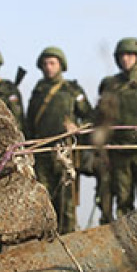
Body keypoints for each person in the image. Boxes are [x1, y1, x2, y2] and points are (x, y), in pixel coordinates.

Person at [25, 46, 93, 234]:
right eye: (45, 63)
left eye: (52, 63)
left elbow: (91, 117)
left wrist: (77, 128)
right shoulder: (38, 91)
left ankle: (68, 240)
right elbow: (29, 123)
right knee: (42, 202)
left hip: (65, 154)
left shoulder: (71, 90)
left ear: (61, 65)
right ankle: (46, 243)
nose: (48, 67)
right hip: (41, 153)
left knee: (67, 204)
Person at [96, 38, 137, 220]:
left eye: (130, 55)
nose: (125, 59)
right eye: (121, 56)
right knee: (123, 200)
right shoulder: (110, 84)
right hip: (119, 150)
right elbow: (101, 118)